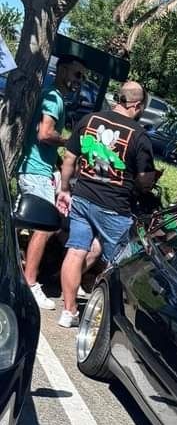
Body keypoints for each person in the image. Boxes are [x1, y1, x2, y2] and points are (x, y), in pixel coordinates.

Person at [56, 81, 158, 328]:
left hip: (82, 197)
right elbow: (144, 180)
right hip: (114, 207)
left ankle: (68, 311)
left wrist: (65, 189)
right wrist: (148, 180)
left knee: (76, 251)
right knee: (123, 264)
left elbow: (69, 158)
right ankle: (110, 318)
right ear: (136, 105)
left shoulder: (90, 120)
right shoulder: (139, 135)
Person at [17, 54, 87, 310]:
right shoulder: (54, 98)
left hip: (37, 168)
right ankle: (30, 282)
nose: (79, 81)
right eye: (77, 75)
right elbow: (45, 133)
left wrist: (59, 163)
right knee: (44, 228)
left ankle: (21, 270)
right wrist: (69, 142)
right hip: (35, 171)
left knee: (37, 225)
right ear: (64, 70)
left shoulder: (52, 95)